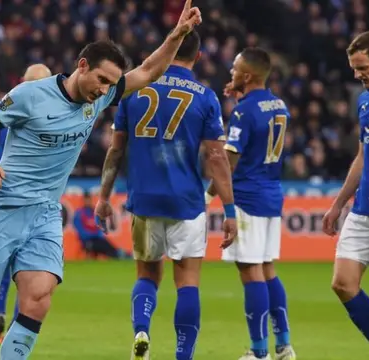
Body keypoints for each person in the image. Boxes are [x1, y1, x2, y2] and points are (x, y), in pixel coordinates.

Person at [0, 2, 202, 359]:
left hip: (45, 214)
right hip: (4, 208)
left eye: (112, 85)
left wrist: (178, 33)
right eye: (101, 80)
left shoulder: (99, 100)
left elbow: (149, 71)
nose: (105, 91)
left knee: (38, 298)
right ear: (82, 66)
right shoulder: (31, 95)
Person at [96, 29, 236, 360]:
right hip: (186, 200)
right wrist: (229, 211)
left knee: (147, 274)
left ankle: (142, 330)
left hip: (144, 200)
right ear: (198, 57)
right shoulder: (205, 96)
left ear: (166, 48)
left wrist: (103, 197)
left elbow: (115, 151)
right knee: (187, 281)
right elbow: (216, 157)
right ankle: (183, 356)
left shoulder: (133, 90)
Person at [205, 47, 297, 360]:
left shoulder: (244, 111)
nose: (230, 73)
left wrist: (208, 193)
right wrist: (241, 97)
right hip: (272, 194)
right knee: (268, 269)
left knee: (251, 273)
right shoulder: (279, 104)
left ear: (247, 75)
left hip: (247, 198)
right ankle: (284, 346)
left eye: (234, 69)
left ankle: (259, 352)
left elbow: (228, 162)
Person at [0, 63, 53, 343]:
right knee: (28, 271)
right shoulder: (55, 117)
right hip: (34, 199)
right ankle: (13, 323)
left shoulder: (4, 111)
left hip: (2, 193)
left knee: (2, 262)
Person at [322, 30, 369, 359]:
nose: (357, 75)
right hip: (362, 211)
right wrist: (338, 204)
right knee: (343, 283)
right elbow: (362, 155)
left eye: (363, 66)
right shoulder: (365, 101)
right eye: (354, 69)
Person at [73, 191, 129, 259]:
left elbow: (100, 229)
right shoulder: (79, 213)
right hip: (87, 241)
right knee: (103, 246)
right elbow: (82, 232)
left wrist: (97, 234)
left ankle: (119, 253)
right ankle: (119, 254)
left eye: (89, 199)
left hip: (98, 239)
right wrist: (94, 235)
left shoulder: (95, 212)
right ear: (83, 201)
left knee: (107, 243)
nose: (87, 201)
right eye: (86, 200)